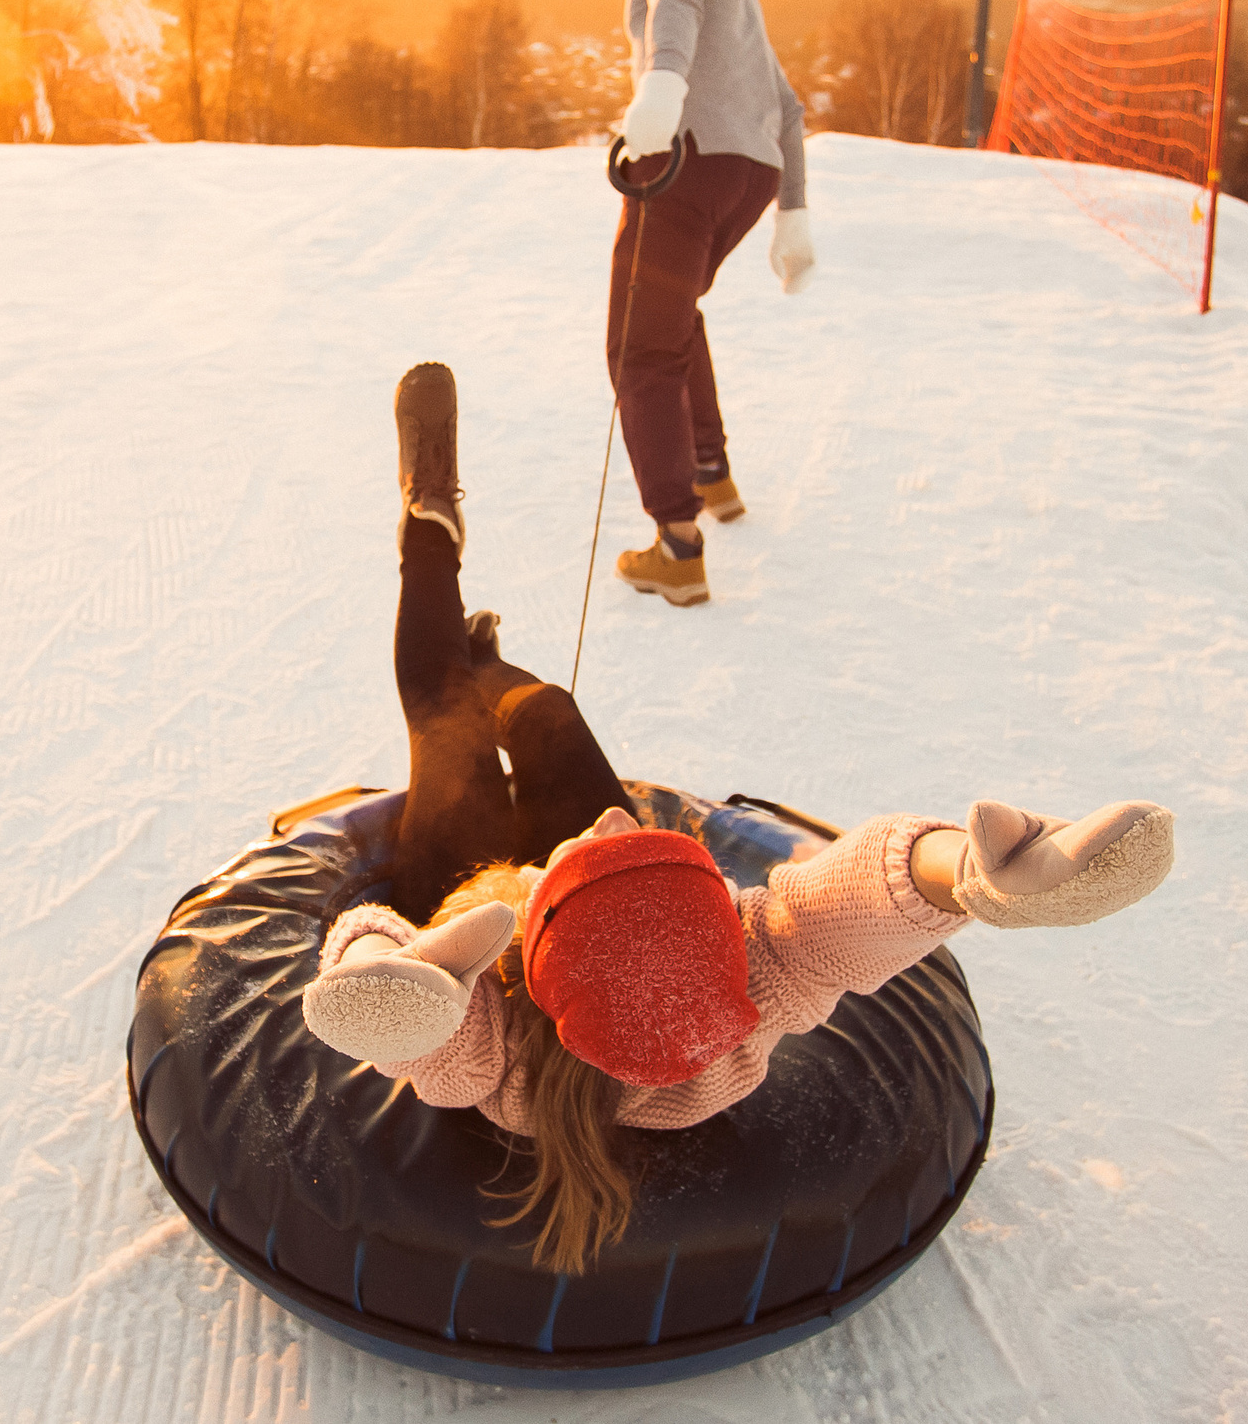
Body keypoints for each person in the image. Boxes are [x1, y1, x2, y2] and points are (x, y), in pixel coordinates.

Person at [302, 364, 1175, 1274]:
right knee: (551, 712)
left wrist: (385, 965)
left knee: (444, 723)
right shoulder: (738, 997)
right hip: (592, 918)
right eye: (650, 853)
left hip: (470, 905)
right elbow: (846, 909)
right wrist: (967, 874)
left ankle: (430, 529)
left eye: (603, 846)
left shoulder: (498, 1050)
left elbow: (421, 1027)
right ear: (720, 925)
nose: (612, 822)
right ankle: (495, 670)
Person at [583, 0, 815, 609]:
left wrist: (660, 90)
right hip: (747, 174)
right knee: (673, 317)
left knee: (638, 347)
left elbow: (672, 4)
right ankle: (711, 472)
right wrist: (792, 212)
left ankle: (677, 550)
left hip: (683, 162)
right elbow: (787, 106)